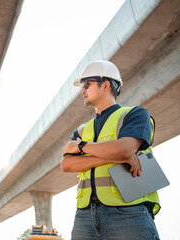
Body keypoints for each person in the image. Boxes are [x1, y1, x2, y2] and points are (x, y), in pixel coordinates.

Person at [61, 60, 160, 239]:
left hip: (129, 211)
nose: (82, 90)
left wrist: (82, 147)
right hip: (85, 215)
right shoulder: (83, 129)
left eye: (86, 84)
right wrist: (112, 157)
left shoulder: (135, 114)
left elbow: (124, 150)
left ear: (105, 84)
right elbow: (67, 164)